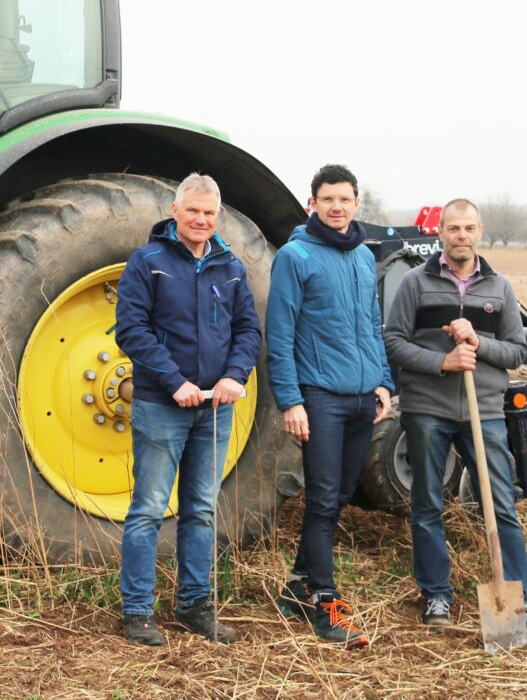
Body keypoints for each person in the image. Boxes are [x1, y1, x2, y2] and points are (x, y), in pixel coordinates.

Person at [383, 198, 527, 637]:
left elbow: (518, 350)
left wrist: (477, 341)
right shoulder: (416, 285)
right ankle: (437, 593)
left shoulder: (499, 287)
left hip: (485, 411)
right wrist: (443, 363)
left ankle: (521, 601)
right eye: (453, 228)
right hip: (428, 410)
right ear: (440, 232)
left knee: (501, 505)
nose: (461, 235)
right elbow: (394, 343)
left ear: (480, 231)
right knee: (427, 504)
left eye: (469, 228)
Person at [116, 173, 260, 646]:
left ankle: (195, 605)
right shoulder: (148, 262)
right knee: (149, 509)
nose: (201, 219)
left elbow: (247, 333)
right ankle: (137, 610)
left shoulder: (231, 267)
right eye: (193, 211)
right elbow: (131, 330)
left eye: (210, 213)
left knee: (201, 509)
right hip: (163, 404)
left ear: (218, 217)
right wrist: (173, 380)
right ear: (174, 211)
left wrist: (235, 376)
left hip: (215, 408)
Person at [266, 164, 394, 648]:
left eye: (344, 199)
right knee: (321, 500)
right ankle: (326, 604)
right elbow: (278, 337)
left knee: (338, 497)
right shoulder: (295, 257)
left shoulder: (364, 257)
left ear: (356, 204)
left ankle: (298, 587)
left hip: (364, 400)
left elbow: (371, 326)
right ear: (312, 203)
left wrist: (383, 384)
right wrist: (291, 400)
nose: (336, 207)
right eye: (327, 199)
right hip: (320, 398)